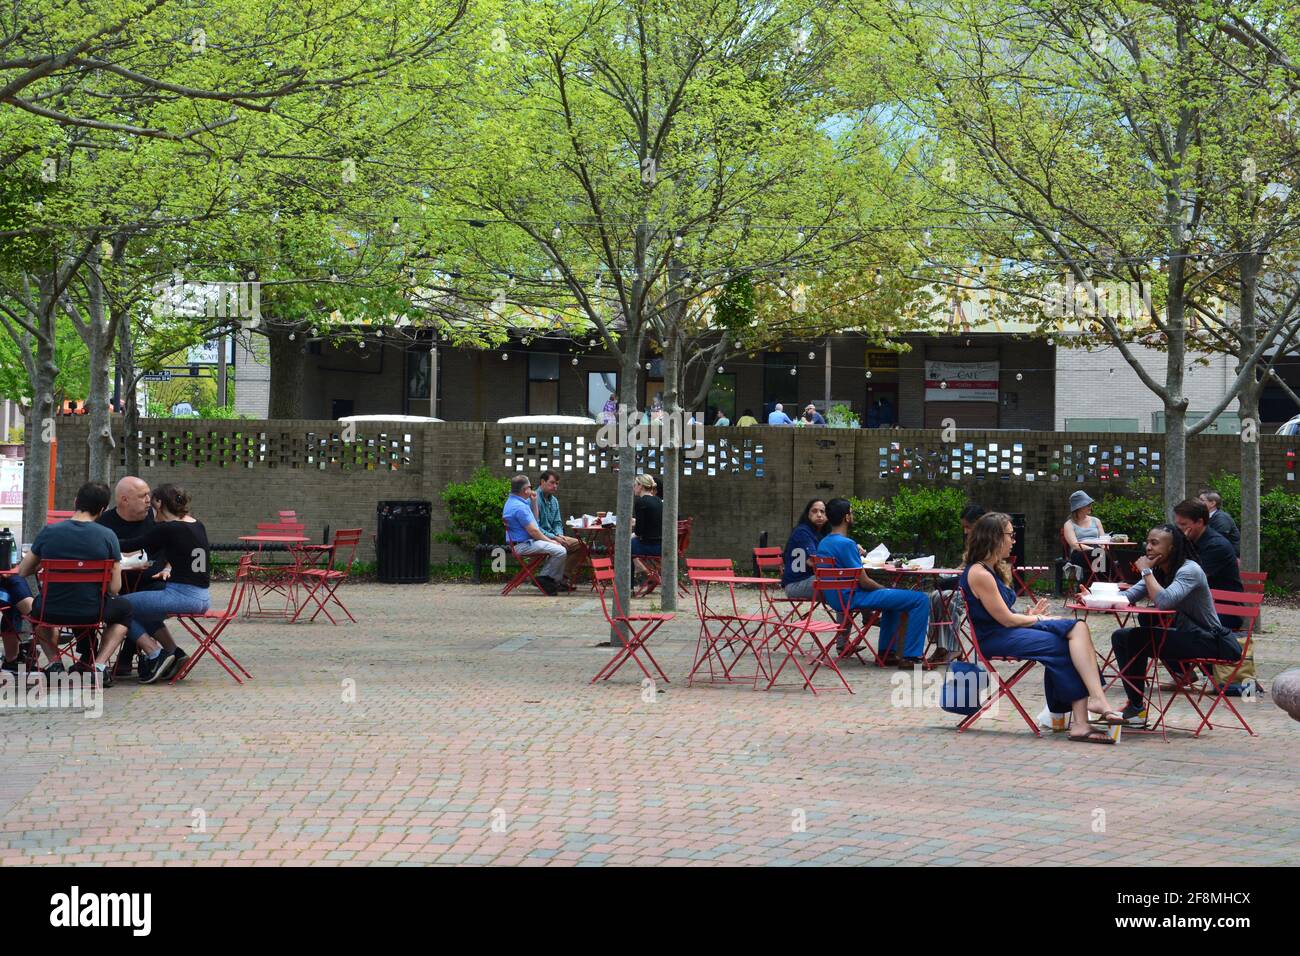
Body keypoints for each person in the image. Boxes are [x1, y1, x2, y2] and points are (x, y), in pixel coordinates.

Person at [961, 512, 1124, 741]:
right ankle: (1083, 715)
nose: (1013, 541)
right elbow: (1005, 620)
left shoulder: (991, 569)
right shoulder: (980, 573)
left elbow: (1001, 615)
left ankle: (1086, 710)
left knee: (1077, 631)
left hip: (1007, 631)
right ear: (995, 538)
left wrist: (1029, 615)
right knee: (1067, 640)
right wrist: (1040, 620)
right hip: (995, 638)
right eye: (1010, 535)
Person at [1107, 524, 1242, 727]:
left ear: (1172, 548)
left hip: (1210, 639)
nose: (1148, 548)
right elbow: (1128, 596)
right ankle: (1135, 707)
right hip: (1185, 635)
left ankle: (1135, 709)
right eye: (1148, 542)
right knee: (1121, 636)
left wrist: (1145, 572)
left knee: (1136, 638)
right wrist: (1093, 597)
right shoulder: (1157, 571)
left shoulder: (1190, 570)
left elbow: (1164, 601)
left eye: (1155, 543)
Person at [15, 481, 133, 687]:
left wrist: (41, 567)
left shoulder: (49, 532)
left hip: (51, 611)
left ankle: (54, 663)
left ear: (75, 501)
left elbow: (23, 571)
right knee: (125, 610)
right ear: (103, 510)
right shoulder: (107, 536)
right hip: (93, 611)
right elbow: (115, 589)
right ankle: (99, 666)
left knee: (35, 611)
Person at [816, 498, 930, 667]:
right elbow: (864, 581)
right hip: (852, 597)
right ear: (846, 517)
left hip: (837, 598)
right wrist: (884, 589)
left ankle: (887, 653)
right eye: (852, 512)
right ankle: (911, 656)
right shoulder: (847, 544)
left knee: (892, 601)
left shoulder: (824, 542)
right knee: (920, 599)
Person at [115, 484, 211, 684]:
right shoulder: (196, 524)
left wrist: (102, 539)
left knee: (118, 607)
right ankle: (174, 653)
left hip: (182, 595)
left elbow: (132, 545)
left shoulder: (169, 528)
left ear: (159, 503)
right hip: (202, 596)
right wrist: (168, 568)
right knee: (143, 611)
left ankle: (155, 653)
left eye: (152, 503)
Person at [97, 476, 186, 677]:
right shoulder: (105, 524)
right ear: (124, 500)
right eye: (142, 496)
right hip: (116, 585)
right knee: (122, 604)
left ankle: (143, 656)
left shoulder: (157, 519)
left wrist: (169, 567)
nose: (149, 500)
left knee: (130, 606)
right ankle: (171, 652)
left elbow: (180, 544)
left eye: (149, 494)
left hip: (154, 582)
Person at [1172, 498, 1244, 630]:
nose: (1179, 529)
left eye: (1183, 524)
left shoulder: (1216, 546)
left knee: (1182, 624)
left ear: (1200, 522)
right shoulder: (1191, 540)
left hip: (1225, 610)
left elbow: (1189, 579)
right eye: (1177, 525)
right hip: (1196, 607)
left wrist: (1179, 547)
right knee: (1148, 617)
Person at [927, 503, 985, 664]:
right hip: (964, 585)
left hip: (978, 590)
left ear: (980, 522)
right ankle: (941, 645)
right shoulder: (973, 541)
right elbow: (964, 565)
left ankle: (953, 647)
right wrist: (951, 572)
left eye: (968, 527)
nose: (965, 531)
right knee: (935, 596)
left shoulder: (990, 544)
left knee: (945, 598)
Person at [502, 475, 566, 596]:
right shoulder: (519, 507)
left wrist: (534, 502)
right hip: (523, 545)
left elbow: (535, 522)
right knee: (560, 551)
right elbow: (534, 531)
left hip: (524, 542)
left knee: (558, 549)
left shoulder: (515, 502)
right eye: (530, 487)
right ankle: (545, 579)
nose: (532, 489)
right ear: (525, 489)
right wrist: (550, 541)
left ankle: (547, 580)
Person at [531, 470, 584, 587]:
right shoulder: (534, 499)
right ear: (542, 482)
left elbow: (557, 522)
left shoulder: (554, 501)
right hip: (539, 536)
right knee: (561, 545)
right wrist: (554, 537)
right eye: (552, 483)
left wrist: (559, 535)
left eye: (557, 484)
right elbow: (535, 527)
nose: (555, 486)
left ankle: (562, 577)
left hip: (554, 535)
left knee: (581, 545)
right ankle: (547, 578)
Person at [781, 499, 829, 600]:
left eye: (822, 511)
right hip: (795, 584)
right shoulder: (802, 532)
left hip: (810, 580)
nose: (819, 515)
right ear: (808, 514)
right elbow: (813, 561)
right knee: (840, 584)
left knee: (845, 583)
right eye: (814, 511)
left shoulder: (821, 534)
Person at [1062, 490, 1105, 582]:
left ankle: (1094, 584)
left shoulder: (1096, 521)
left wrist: (1104, 547)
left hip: (1098, 551)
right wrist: (1094, 550)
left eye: (1090, 504)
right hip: (1079, 552)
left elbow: (1103, 539)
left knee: (1108, 554)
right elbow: (1074, 545)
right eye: (1087, 504)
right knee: (1100, 555)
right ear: (1079, 507)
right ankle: (1099, 583)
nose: (1090, 506)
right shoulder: (1069, 524)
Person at [630, 474, 663, 584]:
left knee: (622, 546)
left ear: (641, 486)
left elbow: (639, 531)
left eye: (635, 485)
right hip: (660, 544)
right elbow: (653, 521)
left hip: (649, 546)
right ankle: (642, 568)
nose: (634, 487)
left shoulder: (641, 502)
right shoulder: (658, 501)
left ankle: (629, 585)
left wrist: (632, 535)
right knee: (629, 542)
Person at [1198, 490, 1241, 557]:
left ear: (1212, 503)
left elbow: (1216, 541)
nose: (1198, 502)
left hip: (1226, 558)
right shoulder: (1207, 517)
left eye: (1201, 500)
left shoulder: (1221, 518)